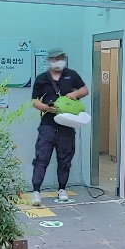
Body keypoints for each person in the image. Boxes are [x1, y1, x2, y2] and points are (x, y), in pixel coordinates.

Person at [30, 47, 88, 206]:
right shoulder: (42, 78)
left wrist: (75, 94)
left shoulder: (72, 75)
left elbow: (85, 89)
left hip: (67, 125)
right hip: (48, 125)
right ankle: (36, 191)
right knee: (41, 158)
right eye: (55, 59)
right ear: (50, 60)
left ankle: (62, 189)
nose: (58, 61)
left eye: (61, 58)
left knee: (65, 159)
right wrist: (46, 108)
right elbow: (34, 101)